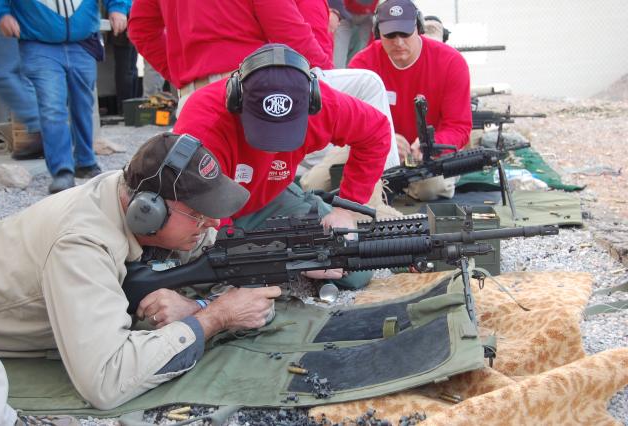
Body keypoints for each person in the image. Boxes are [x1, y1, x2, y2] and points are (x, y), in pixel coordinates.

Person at [0, 132, 284, 417]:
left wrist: (199, 306)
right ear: (148, 211)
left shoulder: (133, 196)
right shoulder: (80, 245)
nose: (214, 222)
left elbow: (234, 281)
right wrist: (213, 318)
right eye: (198, 214)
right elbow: (106, 380)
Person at [174, 44, 392, 289]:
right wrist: (286, 261)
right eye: (262, 130)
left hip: (267, 196)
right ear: (237, 101)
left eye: (285, 132)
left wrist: (345, 208)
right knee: (216, 281)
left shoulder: (326, 106)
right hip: (207, 214)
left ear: (311, 103)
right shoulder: (204, 121)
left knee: (349, 264)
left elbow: (375, 131)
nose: (272, 147)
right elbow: (209, 234)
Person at [128, 0, 399, 170]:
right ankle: (389, 185)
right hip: (255, 90)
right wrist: (322, 84)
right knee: (369, 84)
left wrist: (183, 75)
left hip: (197, 99)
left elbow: (140, 29)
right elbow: (286, 28)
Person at [0, 0, 130, 193]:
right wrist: (0, 13)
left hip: (83, 42)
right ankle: (62, 171)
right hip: (38, 43)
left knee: (83, 105)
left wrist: (118, 7)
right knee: (52, 108)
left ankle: (86, 161)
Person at [348, 0, 472, 201]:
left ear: (419, 29)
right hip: (375, 148)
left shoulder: (451, 62)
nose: (398, 42)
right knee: (316, 182)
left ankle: (387, 186)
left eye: (405, 33)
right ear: (378, 33)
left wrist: (430, 145)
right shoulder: (362, 65)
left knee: (429, 189)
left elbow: (459, 127)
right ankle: (389, 184)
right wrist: (385, 139)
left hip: (430, 153)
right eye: (390, 34)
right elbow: (349, 121)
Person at [0, 24, 43, 160]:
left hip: (10, 15)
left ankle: (41, 129)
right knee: (22, 74)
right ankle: (44, 130)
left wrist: (0, 14)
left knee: (0, 73)